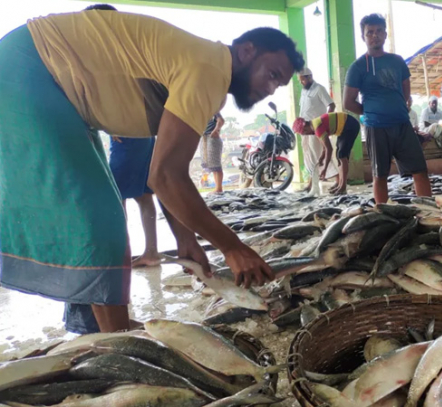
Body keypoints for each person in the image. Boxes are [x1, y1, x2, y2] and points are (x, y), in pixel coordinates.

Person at [0, 7, 304, 334]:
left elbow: (162, 168)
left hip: (39, 75)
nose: (271, 89)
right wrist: (232, 247)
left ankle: (96, 326)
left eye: (279, 84)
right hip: (29, 70)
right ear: (247, 51)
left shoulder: (204, 70)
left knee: (99, 212)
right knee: (99, 218)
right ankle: (119, 343)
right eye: (272, 74)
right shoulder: (208, 69)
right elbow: (166, 176)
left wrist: (184, 238)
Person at [343, 13, 431, 204]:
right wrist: (371, 113)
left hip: (402, 125)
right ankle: (381, 214)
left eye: (379, 31)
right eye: (370, 32)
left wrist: (399, 105)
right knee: (380, 175)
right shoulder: (357, 67)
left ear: (385, 34)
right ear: (363, 37)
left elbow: (406, 87)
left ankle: (428, 211)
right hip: (376, 128)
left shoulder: (397, 61)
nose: (375, 35)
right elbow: (348, 102)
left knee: (420, 170)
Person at [109, 135, 162, 269]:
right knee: (144, 196)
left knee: (117, 197)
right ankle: (151, 252)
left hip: (125, 136)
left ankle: (121, 257)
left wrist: (109, 127)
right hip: (144, 135)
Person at [292, 113, 360, 195]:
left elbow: (329, 149)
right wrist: (321, 158)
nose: (307, 134)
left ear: (305, 128)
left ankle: (343, 187)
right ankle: (340, 185)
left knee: (342, 155)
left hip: (350, 126)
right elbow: (325, 147)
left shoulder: (317, 128)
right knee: (339, 156)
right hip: (344, 128)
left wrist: (325, 168)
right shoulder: (314, 125)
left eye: (305, 133)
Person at [298, 67, 338, 196]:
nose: (301, 82)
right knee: (309, 156)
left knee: (320, 153)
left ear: (309, 77)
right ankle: (311, 183)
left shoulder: (319, 89)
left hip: (316, 127)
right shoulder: (304, 91)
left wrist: (325, 121)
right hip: (305, 129)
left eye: (302, 80)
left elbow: (331, 105)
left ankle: (338, 179)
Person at [201, 111, 225, 193]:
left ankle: (219, 188)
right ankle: (217, 188)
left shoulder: (214, 110)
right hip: (205, 138)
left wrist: (215, 131)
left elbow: (221, 121)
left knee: (216, 164)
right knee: (212, 165)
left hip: (212, 138)